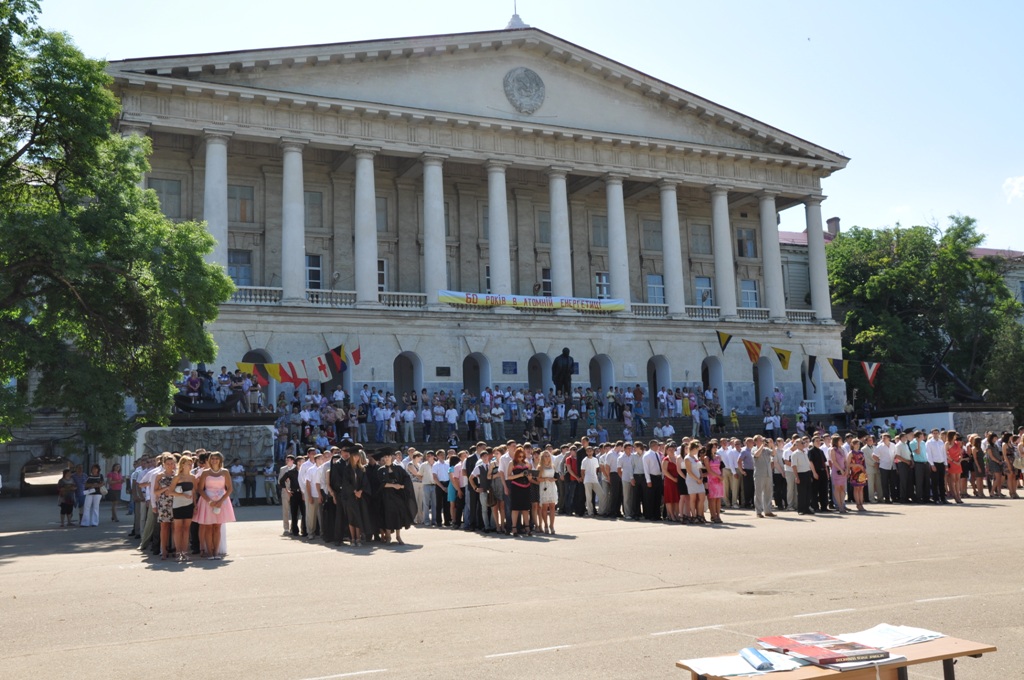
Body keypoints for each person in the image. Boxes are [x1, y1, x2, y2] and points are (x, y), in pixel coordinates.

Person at [195, 451, 236, 559]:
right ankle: (209, 552)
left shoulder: (225, 472)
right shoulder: (205, 472)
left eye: (216, 458)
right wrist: (209, 501)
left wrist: (221, 501)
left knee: (217, 527)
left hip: (221, 501)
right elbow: (200, 488)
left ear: (220, 460)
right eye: (212, 458)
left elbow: (229, 488)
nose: (214, 460)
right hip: (207, 501)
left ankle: (216, 552)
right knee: (208, 527)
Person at [377, 449, 415, 545]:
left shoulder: (398, 468)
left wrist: (402, 486)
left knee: (398, 515)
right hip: (386, 496)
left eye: (388, 456)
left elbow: (406, 478)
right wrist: (394, 485)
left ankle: (398, 536)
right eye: (385, 457)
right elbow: (380, 484)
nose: (387, 458)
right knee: (388, 515)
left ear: (392, 457)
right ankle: (388, 537)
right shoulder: (381, 470)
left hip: (398, 495)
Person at [151, 454, 178, 559]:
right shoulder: (159, 476)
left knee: (175, 527)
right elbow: (155, 491)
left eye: (172, 463)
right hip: (163, 503)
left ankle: (175, 548)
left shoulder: (177, 475)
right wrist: (166, 488)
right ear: (164, 464)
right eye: (167, 464)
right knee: (164, 527)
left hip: (175, 502)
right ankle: (164, 550)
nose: (170, 465)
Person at [170, 455, 196, 562]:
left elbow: (194, 492)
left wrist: (195, 505)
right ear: (182, 464)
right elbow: (170, 491)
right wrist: (182, 495)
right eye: (188, 463)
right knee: (178, 528)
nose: (190, 465)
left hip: (189, 505)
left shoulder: (192, 477)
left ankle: (184, 552)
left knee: (186, 529)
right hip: (178, 504)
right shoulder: (177, 477)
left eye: (191, 463)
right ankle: (177, 551)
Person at [506, 447, 533, 536]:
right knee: (515, 508)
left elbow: (530, 476)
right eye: (519, 456)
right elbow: (509, 477)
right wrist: (520, 474)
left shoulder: (527, 463)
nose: (521, 458)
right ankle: (514, 528)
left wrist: (529, 477)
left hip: (526, 487)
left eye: (522, 456)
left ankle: (527, 527)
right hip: (516, 487)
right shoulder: (512, 463)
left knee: (526, 508)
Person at [683, 441, 706, 524]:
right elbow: (689, 471)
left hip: (699, 479)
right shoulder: (687, 458)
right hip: (692, 480)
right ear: (693, 448)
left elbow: (699, 468)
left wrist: (701, 477)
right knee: (693, 499)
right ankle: (694, 516)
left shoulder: (695, 457)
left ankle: (700, 515)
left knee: (702, 498)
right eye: (697, 449)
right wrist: (697, 479)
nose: (698, 451)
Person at [536, 449, 558, 534]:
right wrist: (546, 479)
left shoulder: (553, 466)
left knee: (552, 506)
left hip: (552, 486)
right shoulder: (540, 467)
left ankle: (551, 525)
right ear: (542, 457)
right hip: (544, 486)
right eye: (545, 456)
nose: (547, 457)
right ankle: (545, 524)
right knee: (544, 507)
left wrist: (554, 479)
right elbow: (538, 479)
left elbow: (556, 476)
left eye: (548, 455)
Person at [828, 435, 848, 513]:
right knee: (837, 488)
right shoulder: (833, 450)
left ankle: (842, 503)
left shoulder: (842, 449)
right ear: (836, 441)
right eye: (840, 440)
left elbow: (845, 460)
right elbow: (834, 461)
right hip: (836, 471)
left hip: (843, 470)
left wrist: (846, 469)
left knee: (843, 488)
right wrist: (840, 469)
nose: (841, 442)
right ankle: (839, 505)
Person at [704, 443, 724, 523]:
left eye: (716, 447)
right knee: (712, 498)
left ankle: (718, 515)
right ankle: (713, 515)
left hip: (719, 477)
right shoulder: (707, 458)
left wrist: (721, 476)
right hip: (711, 478)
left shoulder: (718, 457)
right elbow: (708, 470)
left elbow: (721, 467)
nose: (715, 448)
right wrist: (718, 476)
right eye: (714, 447)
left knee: (718, 498)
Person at [848, 438, 867, 512]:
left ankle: (861, 503)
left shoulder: (861, 453)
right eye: (856, 444)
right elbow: (848, 464)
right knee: (856, 488)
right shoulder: (851, 453)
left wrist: (865, 472)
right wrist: (857, 465)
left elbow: (864, 463)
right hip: (854, 472)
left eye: (859, 444)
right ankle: (858, 504)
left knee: (861, 488)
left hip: (861, 472)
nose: (858, 445)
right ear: (853, 445)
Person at [945, 431, 964, 504]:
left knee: (957, 480)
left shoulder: (957, 443)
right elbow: (946, 454)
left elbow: (960, 453)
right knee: (953, 480)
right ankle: (955, 495)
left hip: (958, 462)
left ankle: (959, 495)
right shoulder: (947, 443)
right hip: (951, 462)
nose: (956, 436)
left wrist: (959, 460)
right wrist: (953, 461)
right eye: (955, 435)